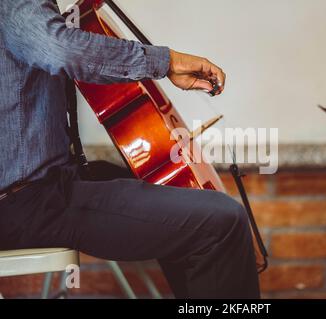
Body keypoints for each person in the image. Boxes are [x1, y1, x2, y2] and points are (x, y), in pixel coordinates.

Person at [0, 0, 260, 299]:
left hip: (30, 192)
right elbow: (59, 49)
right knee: (222, 222)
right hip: (26, 203)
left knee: (150, 187)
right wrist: (167, 61)